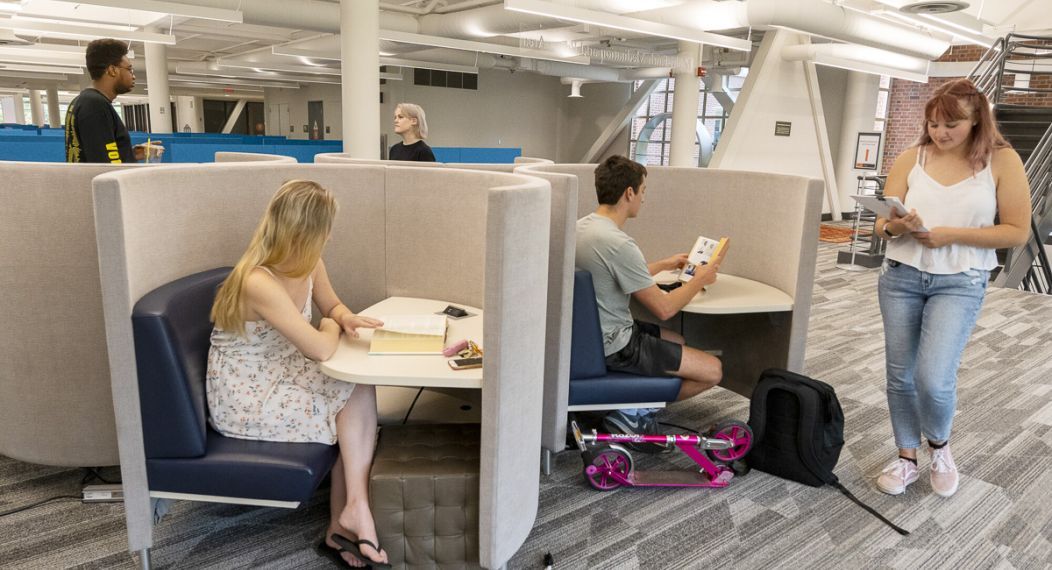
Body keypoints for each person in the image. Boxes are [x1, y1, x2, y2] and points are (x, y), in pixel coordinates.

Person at [207, 180, 389, 568]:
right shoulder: (258, 281)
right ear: (305, 233)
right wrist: (331, 328)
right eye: (326, 228)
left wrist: (344, 317)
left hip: (284, 372)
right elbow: (320, 347)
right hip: (247, 396)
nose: (330, 235)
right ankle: (349, 520)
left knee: (358, 387)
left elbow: (332, 304)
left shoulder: (310, 264)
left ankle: (351, 513)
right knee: (349, 404)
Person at [874, 78, 1030, 498]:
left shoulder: (1002, 160)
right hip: (901, 276)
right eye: (934, 124)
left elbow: (1016, 231)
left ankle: (939, 447)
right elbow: (881, 223)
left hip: (960, 281)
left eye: (951, 125)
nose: (940, 133)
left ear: (978, 118)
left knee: (933, 377)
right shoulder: (912, 157)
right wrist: (895, 226)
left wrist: (951, 235)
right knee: (899, 375)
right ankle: (906, 457)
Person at [575, 155, 725, 450]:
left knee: (677, 340)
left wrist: (666, 263)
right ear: (628, 193)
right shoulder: (619, 243)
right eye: (643, 190)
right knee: (713, 370)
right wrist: (700, 279)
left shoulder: (584, 228)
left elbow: (617, 273)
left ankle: (631, 407)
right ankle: (631, 414)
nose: (643, 198)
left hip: (593, 336)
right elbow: (665, 308)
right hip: (616, 344)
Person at [64, 38, 162, 163]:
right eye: (129, 69)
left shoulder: (80, 101)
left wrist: (130, 154)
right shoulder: (95, 105)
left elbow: (97, 153)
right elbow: (106, 166)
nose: (133, 76)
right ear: (112, 70)